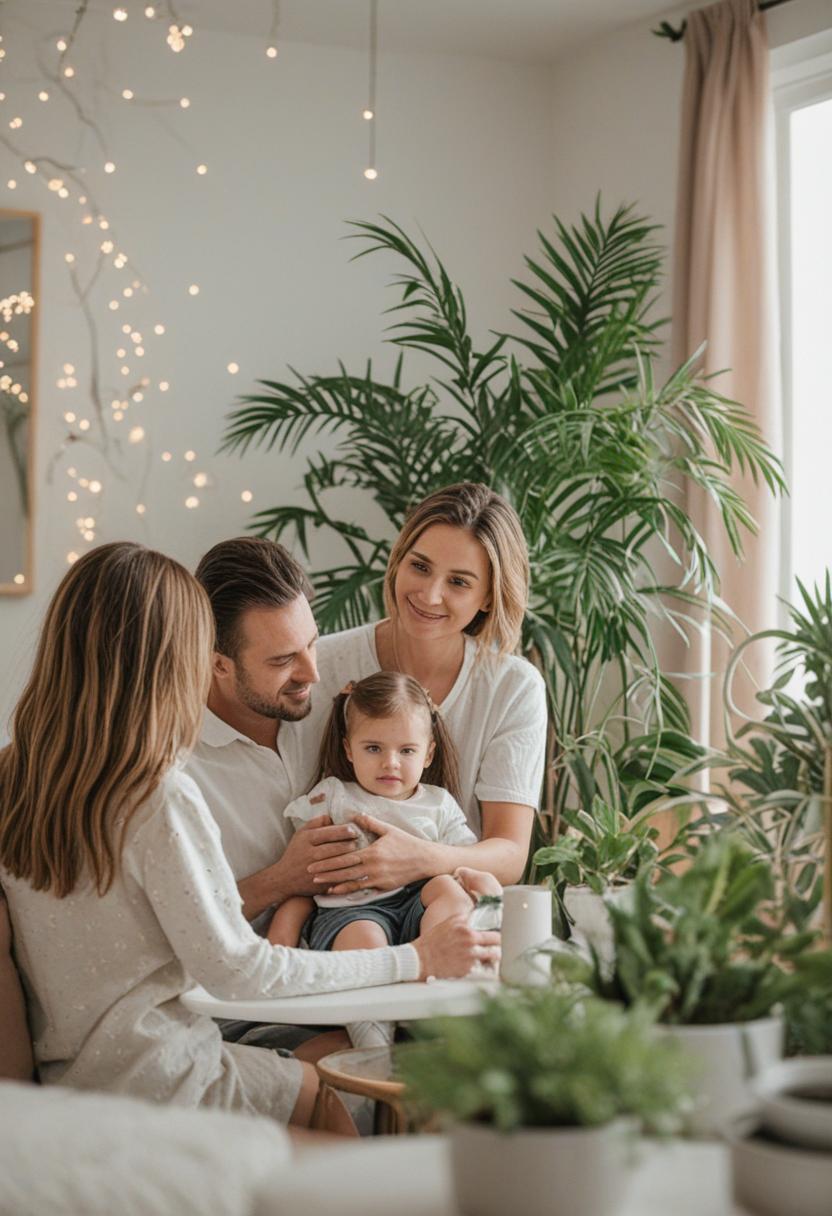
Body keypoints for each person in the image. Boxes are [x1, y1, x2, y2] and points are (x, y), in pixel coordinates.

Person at [0, 543, 497, 1128]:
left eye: (312, 644)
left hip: (75, 1073)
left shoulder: (17, 777)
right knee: (343, 1100)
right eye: (284, 658)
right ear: (192, 661)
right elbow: (238, 969)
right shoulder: (159, 790)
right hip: (167, 1068)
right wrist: (411, 958)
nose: (314, 671)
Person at [280, 482, 548, 901]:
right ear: (398, 562)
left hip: (445, 907)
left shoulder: (512, 687)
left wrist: (420, 859)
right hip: (336, 909)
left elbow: (510, 855)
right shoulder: (324, 663)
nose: (430, 594)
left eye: (459, 581)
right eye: (420, 567)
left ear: (488, 599)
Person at [268, 672, 500, 959]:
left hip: (420, 906)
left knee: (446, 889)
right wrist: (286, 925)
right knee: (364, 936)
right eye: (373, 748)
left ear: (427, 756)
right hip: (352, 911)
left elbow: (463, 859)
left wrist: (481, 888)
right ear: (349, 750)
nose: (390, 763)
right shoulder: (333, 796)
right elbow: (305, 870)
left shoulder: (439, 803)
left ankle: (444, 962)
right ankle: (384, 986)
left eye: (406, 751)